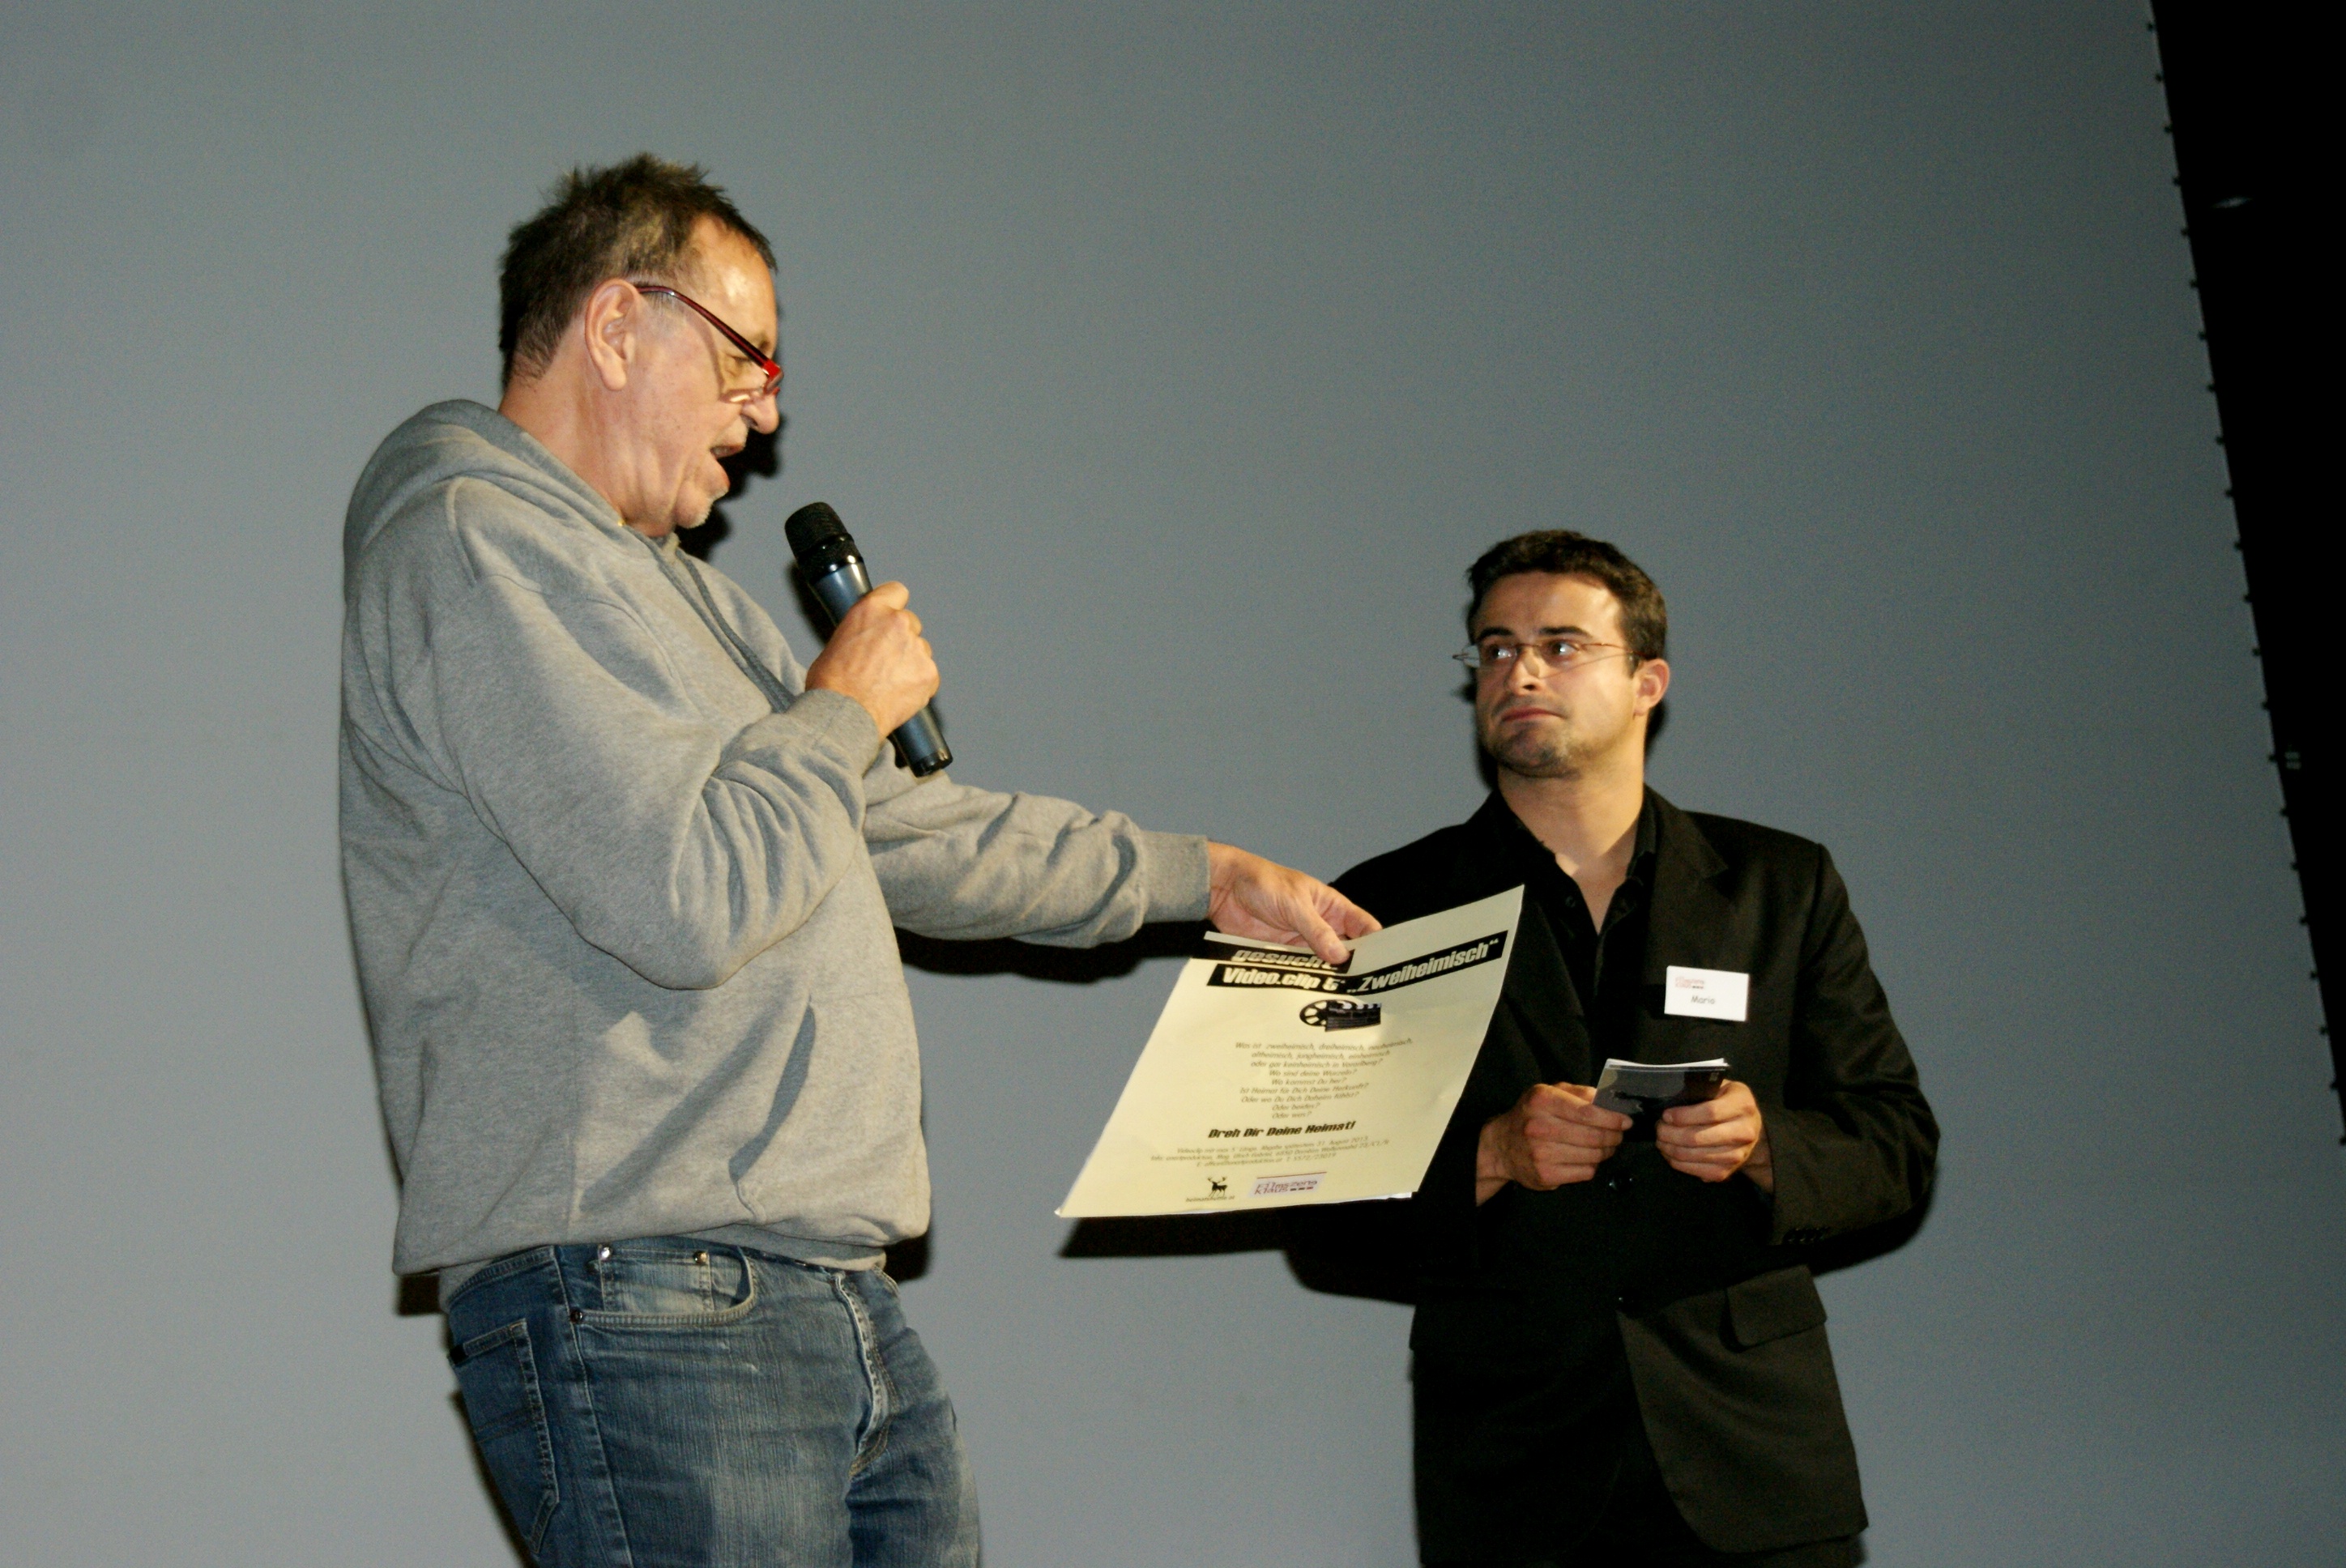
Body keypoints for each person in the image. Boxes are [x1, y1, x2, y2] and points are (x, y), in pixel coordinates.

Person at [338, 155, 1376, 1567]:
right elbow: (682, 895)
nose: (766, 412)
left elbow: (898, 830)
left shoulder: (691, 602)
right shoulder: (470, 541)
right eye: (747, 358)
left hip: (822, 1286)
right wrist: (837, 708)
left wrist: (1200, 878)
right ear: (619, 323)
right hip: (646, 1288)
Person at [1328, 531, 1937, 1566]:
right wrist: (1490, 1156)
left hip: (1752, 1454)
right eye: (1495, 648)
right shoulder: (1388, 906)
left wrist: (1766, 1147)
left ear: (1648, 680)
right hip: (1516, 1465)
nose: (1520, 672)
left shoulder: (1778, 885)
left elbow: (1895, 1143)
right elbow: (1319, 1205)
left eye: (1561, 646)